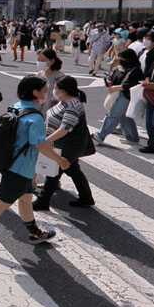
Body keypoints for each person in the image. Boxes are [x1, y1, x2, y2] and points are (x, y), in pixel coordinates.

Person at [0, 75, 68, 250]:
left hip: (12, 163)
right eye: (44, 90)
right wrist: (60, 160)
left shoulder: (17, 107)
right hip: (19, 169)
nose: (46, 93)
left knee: (26, 199)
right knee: (2, 202)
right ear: (35, 92)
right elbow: (40, 144)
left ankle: (34, 232)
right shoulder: (34, 118)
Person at [33, 76, 94, 210]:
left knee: (54, 171)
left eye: (55, 89)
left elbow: (65, 128)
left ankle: (43, 200)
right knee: (73, 170)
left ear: (64, 91)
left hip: (69, 146)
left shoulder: (73, 105)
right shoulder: (64, 101)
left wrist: (47, 140)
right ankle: (86, 197)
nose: (53, 91)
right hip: (62, 144)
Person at [93, 48, 142, 146]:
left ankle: (100, 135)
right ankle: (132, 137)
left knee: (114, 114)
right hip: (118, 94)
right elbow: (114, 77)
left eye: (123, 59)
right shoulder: (121, 68)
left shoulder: (136, 70)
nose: (121, 61)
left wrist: (117, 87)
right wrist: (110, 82)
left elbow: (132, 84)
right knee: (124, 117)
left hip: (127, 95)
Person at [33, 48, 64, 114]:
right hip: (36, 113)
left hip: (51, 116)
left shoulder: (60, 78)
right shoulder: (39, 75)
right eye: (38, 60)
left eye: (43, 60)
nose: (39, 62)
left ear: (52, 61)